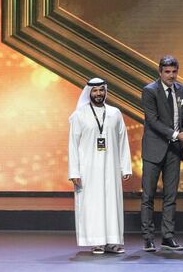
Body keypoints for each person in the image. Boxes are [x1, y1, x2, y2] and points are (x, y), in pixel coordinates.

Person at [68, 78, 132, 255]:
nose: (98, 94)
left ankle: (112, 242)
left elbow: (123, 141)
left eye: (101, 90)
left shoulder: (115, 113)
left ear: (106, 92)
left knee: (112, 204)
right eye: (95, 91)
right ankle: (96, 242)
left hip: (111, 168)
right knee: (93, 205)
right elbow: (72, 145)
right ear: (89, 92)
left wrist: (125, 167)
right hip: (88, 170)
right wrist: (74, 171)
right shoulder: (79, 115)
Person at [140, 56, 183, 252]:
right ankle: (148, 237)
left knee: (171, 196)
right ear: (160, 72)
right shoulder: (150, 91)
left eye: (174, 71)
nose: (171, 75)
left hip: (173, 150)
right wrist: (176, 134)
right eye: (167, 72)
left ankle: (167, 236)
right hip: (154, 149)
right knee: (149, 196)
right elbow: (152, 121)